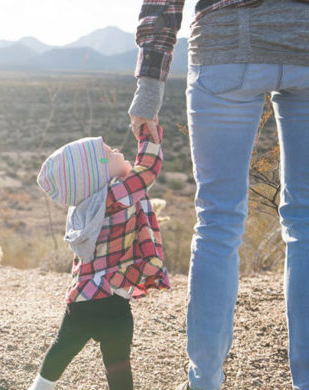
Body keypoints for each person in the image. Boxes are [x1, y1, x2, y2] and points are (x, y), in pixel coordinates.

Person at [128, 1, 309, 389]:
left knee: (218, 221)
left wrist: (148, 89)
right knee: (307, 223)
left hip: (227, 43)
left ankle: (204, 382)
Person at [29, 124, 170, 390]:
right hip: (114, 302)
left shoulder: (82, 206)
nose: (116, 150)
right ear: (98, 172)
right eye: (108, 151)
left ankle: (39, 387)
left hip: (82, 299)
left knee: (62, 349)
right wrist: (147, 133)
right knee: (117, 362)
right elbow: (148, 168)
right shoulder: (116, 194)